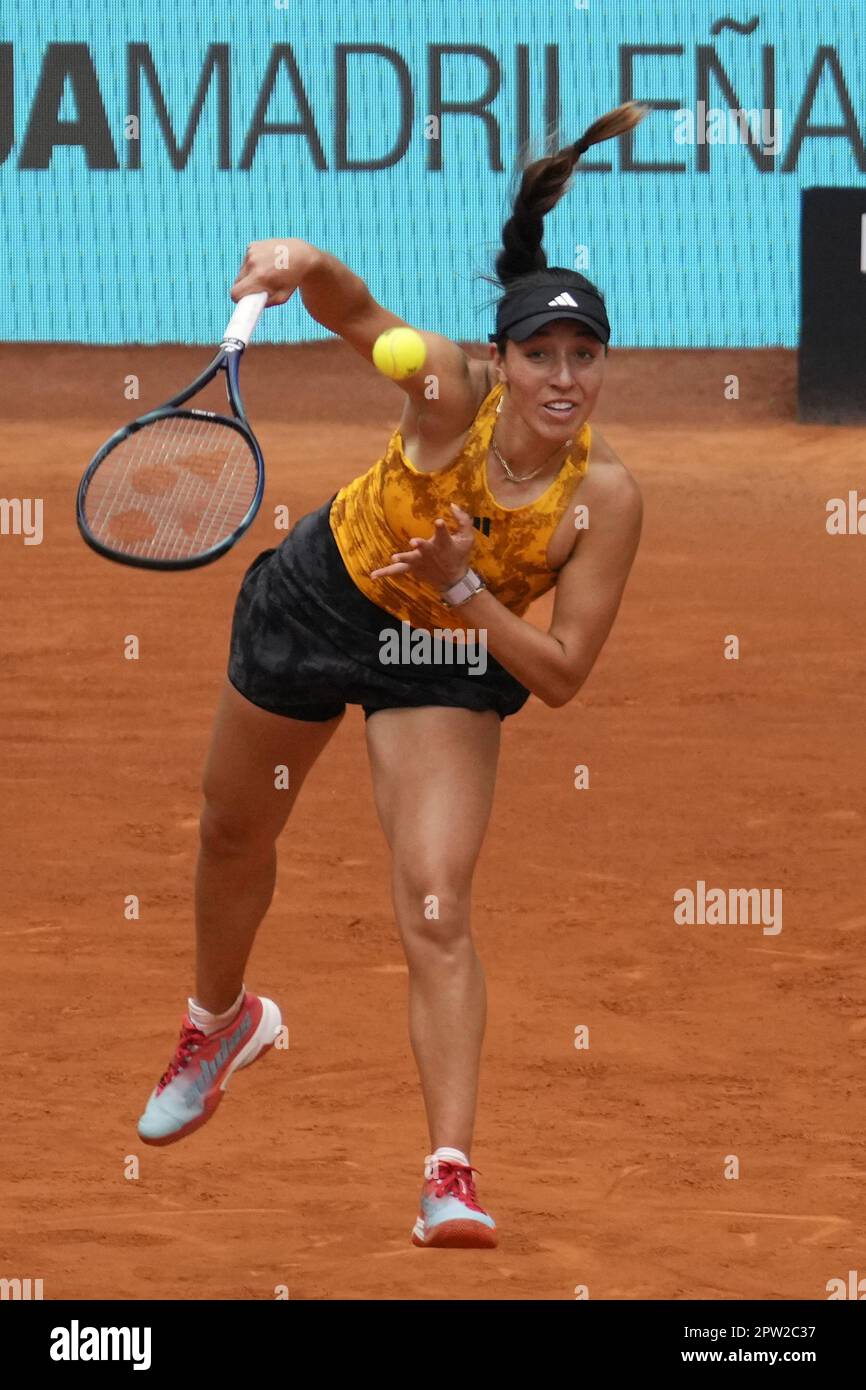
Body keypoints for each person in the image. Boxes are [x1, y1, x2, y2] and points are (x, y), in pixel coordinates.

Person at [137, 102, 646, 1250]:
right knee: (230, 831)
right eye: (540, 355)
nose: (562, 377)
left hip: (452, 655)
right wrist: (300, 261)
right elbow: (359, 316)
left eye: (583, 356)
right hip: (324, 599)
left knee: (435, 899)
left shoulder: (602, 500)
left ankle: (449, 1172)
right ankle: (220, 1021)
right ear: (502, 362)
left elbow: (560, 673)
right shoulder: (447, 392)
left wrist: (466, 593)